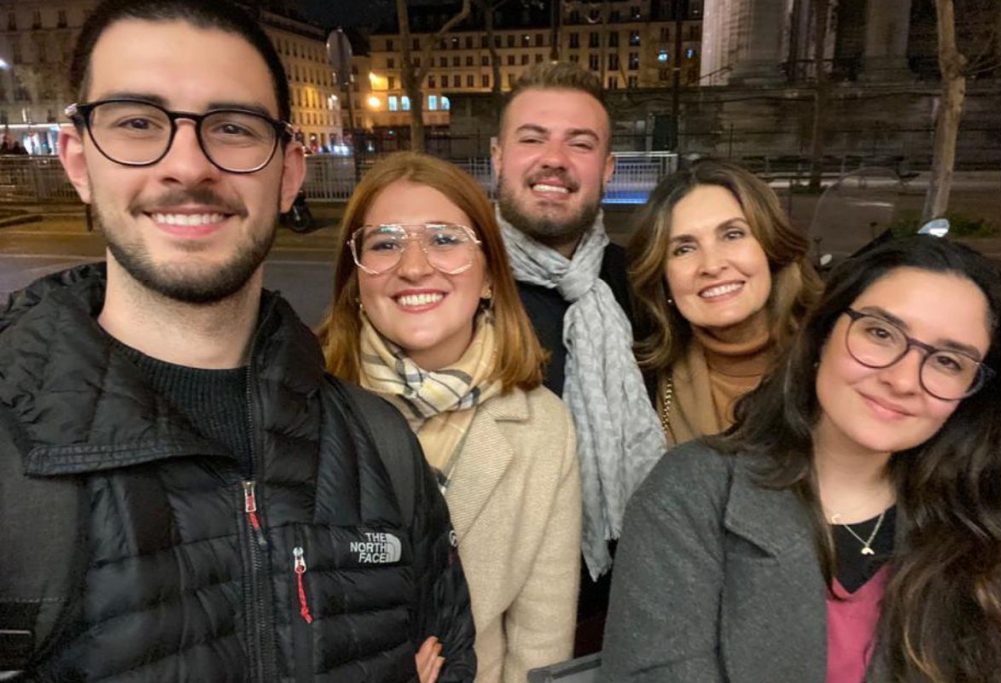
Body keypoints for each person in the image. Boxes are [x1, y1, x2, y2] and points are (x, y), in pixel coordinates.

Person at [0, 2, 474, 681]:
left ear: (288, 174)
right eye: (138, 122)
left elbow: (451, 655)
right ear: (78, 159)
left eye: (232, 127)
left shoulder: (381, 445)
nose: (188, 165)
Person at [602, 236, 1001, 682]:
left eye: (948, 361)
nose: (903, 380)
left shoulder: (991, 520)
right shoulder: (693, 492)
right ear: (822, 334)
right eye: (880, 333)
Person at [319, 151, 582, 682]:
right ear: (358, 285)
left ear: (489, 275)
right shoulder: (300, 408)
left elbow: (540, 643)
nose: (414, 265)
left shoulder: (544, 428)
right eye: (386, 243)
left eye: (444, 238)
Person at [491, 62, 664, 652]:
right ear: (497, 157)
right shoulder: (449, 281)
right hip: (491, 619)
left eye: (580, 143)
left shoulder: (645, 286)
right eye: (533, 138)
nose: (555, 159)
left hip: (628, 611)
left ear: (607, 168)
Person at [628, 160, 821, 445]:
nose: (712, 265)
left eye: (732, 235)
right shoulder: (642, 382)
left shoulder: (835, 360)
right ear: (663, 278)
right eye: (683, 249)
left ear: (771, 249)